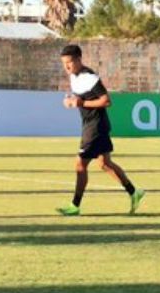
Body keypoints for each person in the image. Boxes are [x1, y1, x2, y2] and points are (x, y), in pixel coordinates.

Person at [57, 45, 144, 216]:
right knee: (104, 163)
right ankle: (134, 192)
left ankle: (75, 206)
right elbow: (82, 98)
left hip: (95, 127)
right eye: (64, 63)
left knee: (80, 164)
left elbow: (106, 101)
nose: (67, 67)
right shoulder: (74, 77)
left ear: (79, 60)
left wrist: (80, 103)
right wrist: (72, 101)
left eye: (69, 63)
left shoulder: (89, 77)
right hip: (95, 125)